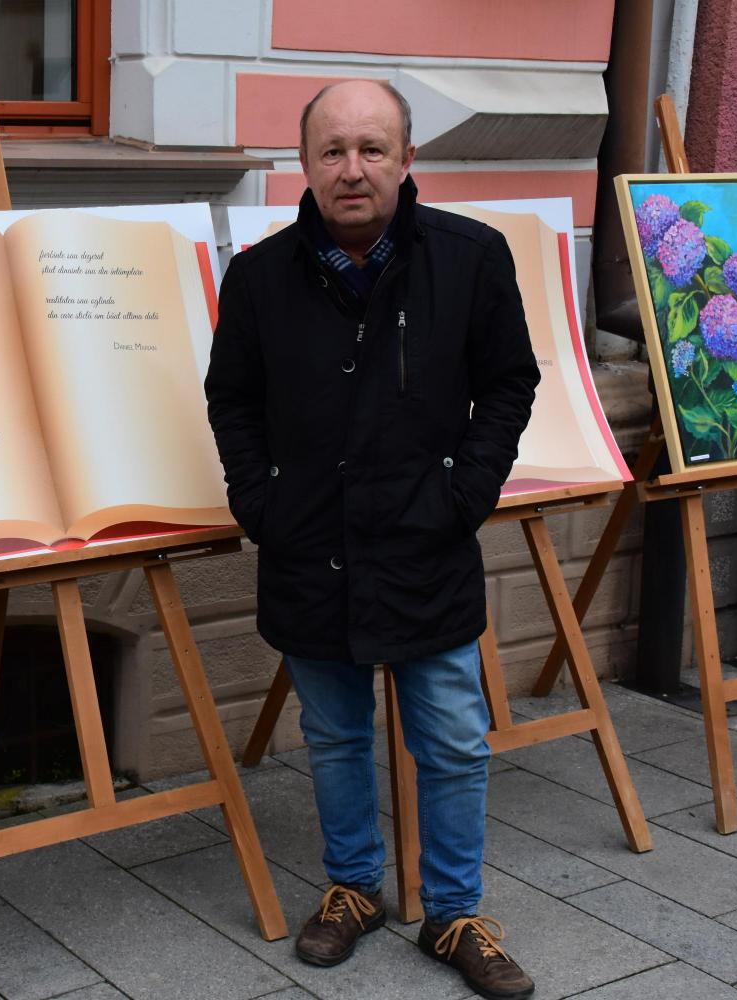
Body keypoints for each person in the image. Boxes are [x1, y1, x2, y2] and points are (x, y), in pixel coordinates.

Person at [205, 80, 540, 1000]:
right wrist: (261, 503)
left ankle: (454, 913)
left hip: (427, 546)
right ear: (305, 163)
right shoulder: (259, 278)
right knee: (336, 736)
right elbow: (232, 400)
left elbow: (509, 383)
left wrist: (466, 492)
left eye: (372, 149)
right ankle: (353, 888)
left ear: (406, 158)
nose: (352, 169)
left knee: (456, 741)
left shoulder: (470, 259)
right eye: (333, 151)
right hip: (308, 548)